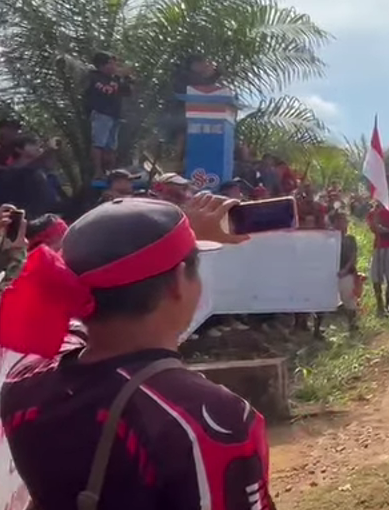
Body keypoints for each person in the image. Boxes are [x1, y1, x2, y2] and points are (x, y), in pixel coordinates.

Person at [0, 194, 276, 510]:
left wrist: (176, 239)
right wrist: (183, 232)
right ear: (177, 282)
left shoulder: (23, 386)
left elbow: (72, 314)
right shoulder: (210, 419)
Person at [84, 51, 133, 178]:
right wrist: (118, 79)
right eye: (111, 63)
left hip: (115, 114)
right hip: (101, 113)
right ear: (101, 65)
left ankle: (110, 172)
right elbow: (107, 90)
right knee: (98, 143)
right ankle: (98, 171)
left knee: (111, 146)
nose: (114, 66)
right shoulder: (94, 77)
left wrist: (125, 78)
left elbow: (127, 92)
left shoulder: (115, 78)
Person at [331, 211, 359, 332]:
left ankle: (352, 325)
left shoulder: (350, 239)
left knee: (349, 301)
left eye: (345, 221)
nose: (344, 223)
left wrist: (345, 270)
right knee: (323, 302)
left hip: (346, 274)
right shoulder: (329, 238)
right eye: (341, 221)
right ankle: (317, 329)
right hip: (330, 275)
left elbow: (353, 257)